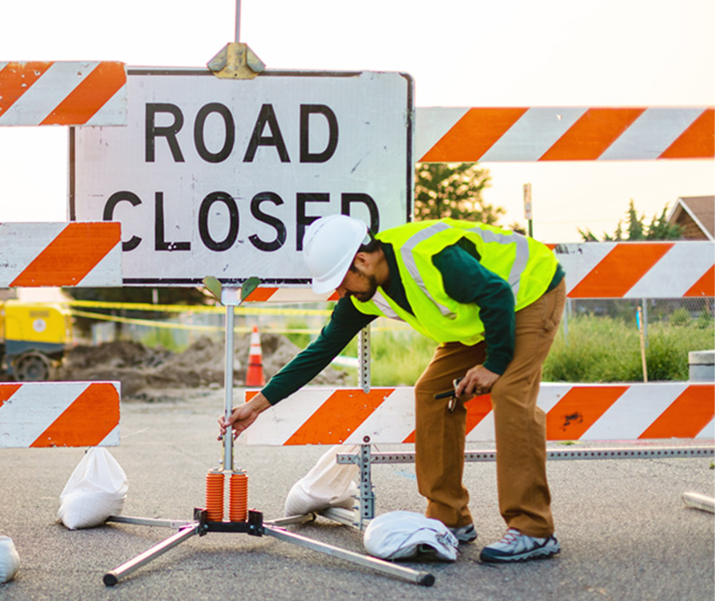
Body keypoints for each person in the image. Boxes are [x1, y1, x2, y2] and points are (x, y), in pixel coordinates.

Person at [219, 214, 567, 563]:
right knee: (431, 391)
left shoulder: (430, 258)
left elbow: (496, 293)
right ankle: (449, 517)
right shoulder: (364, 293)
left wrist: (495, 364)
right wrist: (257, 405)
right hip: (482, 315)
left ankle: (533, 528)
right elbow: (320, 352)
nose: (341, 292)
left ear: (362, 260)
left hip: (528, 293)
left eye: (341, 282)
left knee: (510, 393)